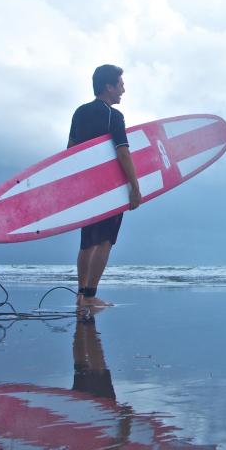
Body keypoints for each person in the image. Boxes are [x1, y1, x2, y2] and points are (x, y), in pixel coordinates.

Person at [68, 64, 142, 310]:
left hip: (86, 189)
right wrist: (135, 187)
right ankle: (90, 295)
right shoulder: (114, 116)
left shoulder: (80, 112)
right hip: (109, 189)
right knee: (105, 241)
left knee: (87, 241)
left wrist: (74, 186)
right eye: (120, 85)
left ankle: (81, 295)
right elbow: (123, 152)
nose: (123, 90)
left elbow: (70, 150)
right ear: (108, 86)